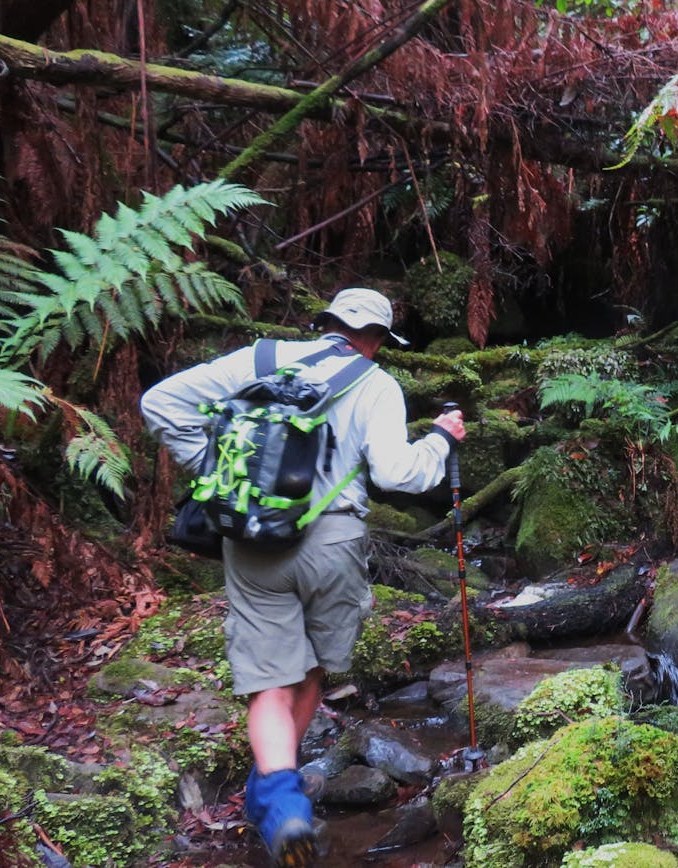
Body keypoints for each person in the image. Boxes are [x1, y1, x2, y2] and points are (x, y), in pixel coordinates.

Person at [140, 288, 466, 867]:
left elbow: (160, 403)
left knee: (268, 678)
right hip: (332, 540)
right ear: (377, 340)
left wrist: (215, 472)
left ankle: (279, 797)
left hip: (251, 537)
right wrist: (441, 439)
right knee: (315, 663)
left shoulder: (258, 360)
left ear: (326, 325)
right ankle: (277, 794)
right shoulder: (375, 384)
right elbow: (397, 474)